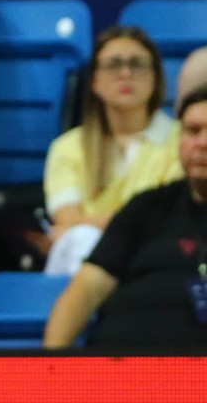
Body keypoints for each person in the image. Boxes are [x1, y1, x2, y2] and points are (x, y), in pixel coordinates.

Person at [44, 86, 207, 351]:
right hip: (117, 367)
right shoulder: (146, 206)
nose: (202, 143)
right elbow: (85, 291)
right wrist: (49, 365)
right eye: (193, 131)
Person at [42, 27, 178, 277]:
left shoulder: (185, 139)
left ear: (156, 77)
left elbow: (170, 221)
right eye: (114, 64)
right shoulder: (67, 147)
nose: (125, 73)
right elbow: (67, 220)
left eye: (137, 64)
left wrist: (89, 223)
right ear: (94, 80)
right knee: (82, 240)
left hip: (158, 258)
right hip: (84, 257)